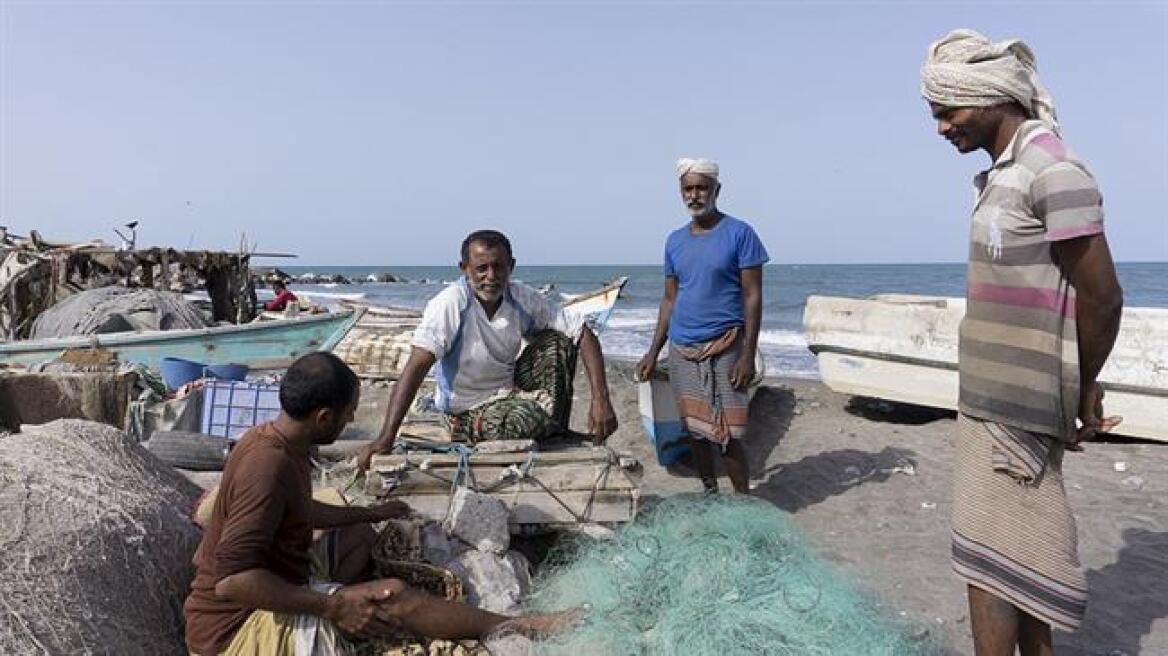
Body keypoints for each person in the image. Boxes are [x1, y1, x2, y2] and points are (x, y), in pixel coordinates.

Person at [921, 29, 1124, 655]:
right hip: (988, 403)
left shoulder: (1052, 171)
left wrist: (1080, 387)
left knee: (987, 567)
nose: (940, 128)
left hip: (1016, 414)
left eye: (946, 112)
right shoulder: (1005, 173)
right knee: (1018, 567)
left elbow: (1103, 296)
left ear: (987, 98)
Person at [184, 352, 576, 655]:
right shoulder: (266, 466)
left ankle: (356, 609)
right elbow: (232, 582)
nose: (352, 418)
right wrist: (331, 606)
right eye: (348, 412)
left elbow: (301, 509)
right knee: (393, 594)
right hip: (231, 634)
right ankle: (521, 625)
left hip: (276, 582)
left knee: (356, 534)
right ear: (323, 417)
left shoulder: (279, 440)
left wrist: (371, 512)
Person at [357, 230, 617, 469]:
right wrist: (386, 437)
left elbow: (582, 333)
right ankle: (544, 426)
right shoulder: (450, 305)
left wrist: (600, 399)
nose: (491, 276)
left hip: (508, 392)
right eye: (482, 268)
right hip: (465, 411)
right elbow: (416, 366)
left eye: (498, 267)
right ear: (465, 269)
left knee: (558, 342)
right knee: (521, 420)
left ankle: (555, 428)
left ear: (511, 267)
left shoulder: (521, 297)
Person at [636, 158, 768, 495]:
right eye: (688, 189)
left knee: (730, 435)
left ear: (716, 190)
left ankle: (743, 500)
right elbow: (669, 299)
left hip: (726, 346)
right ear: (681, 192)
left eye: (702, 188)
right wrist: (653, 352)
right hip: (681, 347)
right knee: (694, 431)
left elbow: (752, 296)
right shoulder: (674, 241)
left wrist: (747, 355)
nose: (695, 195)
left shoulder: (741, 233)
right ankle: (711, 495)